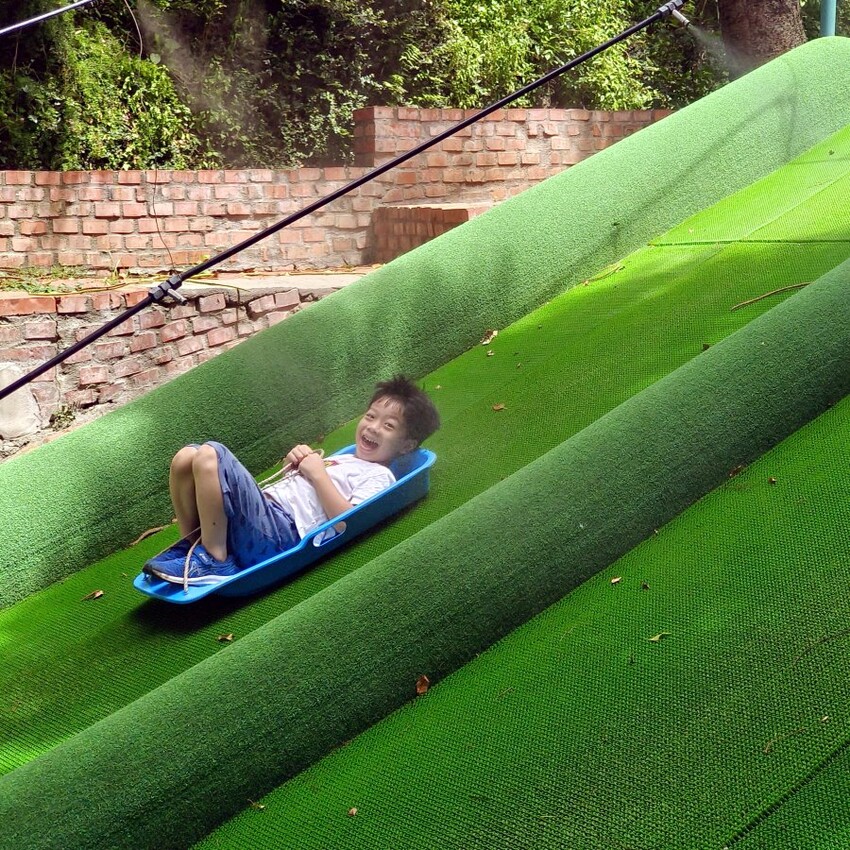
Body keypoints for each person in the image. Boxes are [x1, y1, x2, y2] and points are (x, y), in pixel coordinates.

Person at [144, 375, 440, 585]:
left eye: (388, 425)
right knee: (186, 456)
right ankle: (193, 546)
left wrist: (317, 473)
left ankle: (215, 560)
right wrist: (294, 467)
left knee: (211, 453)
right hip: (267, 519)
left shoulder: (379, 475)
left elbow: (349, 521)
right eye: (371, 416)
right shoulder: (348, 458)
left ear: (406, 445)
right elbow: (304, 494)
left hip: (280, 533)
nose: (373, 427)